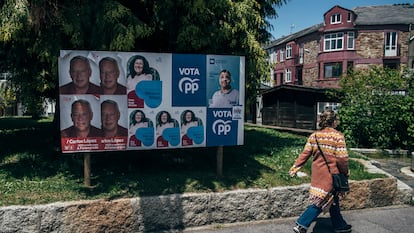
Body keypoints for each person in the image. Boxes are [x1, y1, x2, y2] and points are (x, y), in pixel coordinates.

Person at [289, 110, 352, 233]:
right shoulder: (338, 137)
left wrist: (295, 167)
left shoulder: (314, 136)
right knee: (321, 200)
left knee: (332, 199)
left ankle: (339, 225)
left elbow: (305, 153)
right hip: (332, 175)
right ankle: (301, 224)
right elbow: (342, 159)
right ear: (334, 122)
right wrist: (345, 172)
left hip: (318, 174)